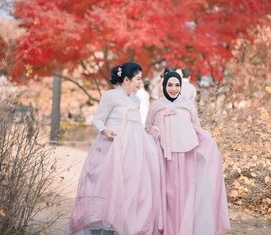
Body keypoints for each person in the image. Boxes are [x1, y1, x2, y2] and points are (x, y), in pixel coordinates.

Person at [69, 62, 162, 235]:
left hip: (133, 148)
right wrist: (104, 130)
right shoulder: (110, 96)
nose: (139, 83)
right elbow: (97, 119)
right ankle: (103, 222)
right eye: (137, 79)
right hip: (112, 147)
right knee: (108, 184)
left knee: (130, 185)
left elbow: (137, 125)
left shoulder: (136, 99)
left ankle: (123, 225)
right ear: (126, 79)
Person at [145, 71, 230, 235]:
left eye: (177, 85)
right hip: (163, 159)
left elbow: (196, 129)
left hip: (185, 158)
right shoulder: (156, 106)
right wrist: (156, 134)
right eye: (170, 84)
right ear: (164, 86)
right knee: (166, 196)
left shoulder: (188, 106)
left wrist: (208, 142)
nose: (173, 88)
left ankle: (182, 229)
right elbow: (148, 129)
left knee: (182, 196)